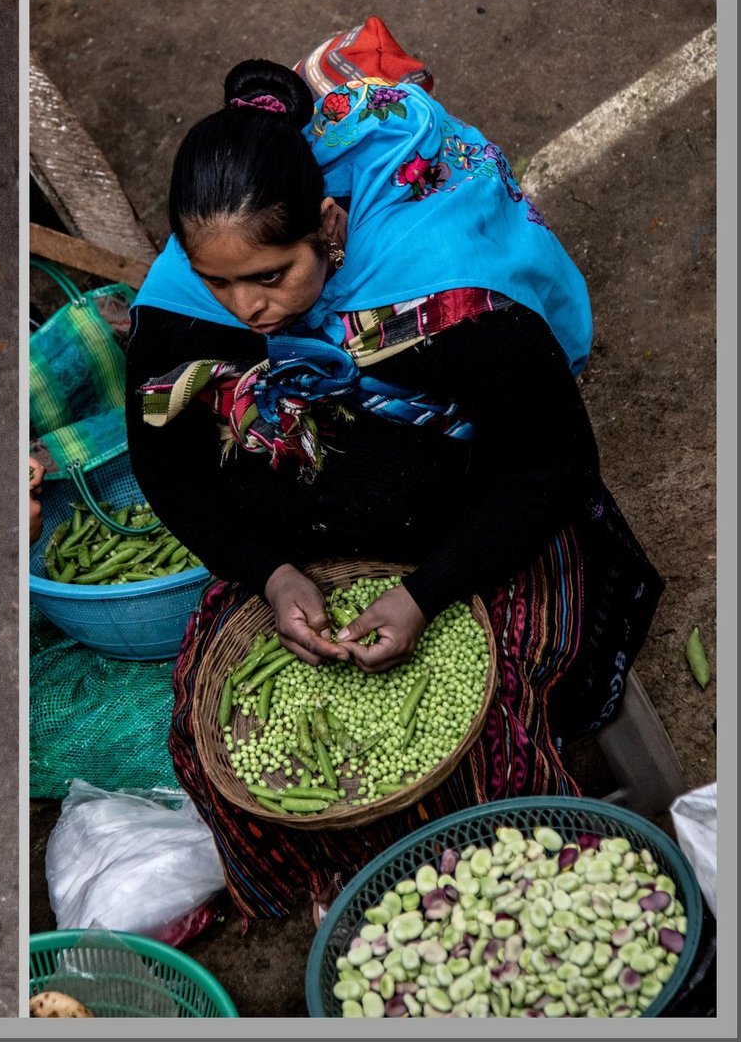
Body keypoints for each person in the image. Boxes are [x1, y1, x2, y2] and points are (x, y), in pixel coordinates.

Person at [123, 54, 663, 920]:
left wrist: (426, 593)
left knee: (479, 739)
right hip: (306, 535)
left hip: (478, 522)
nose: (247, 309)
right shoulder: (184, 307)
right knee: (203, 728)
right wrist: (270, 573)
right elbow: (165, 463)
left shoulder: (447, 302)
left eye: (271, 278)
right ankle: (340, 900)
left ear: (328, 225)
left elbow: (550, 470)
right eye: (218, 279)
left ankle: (495, 913)